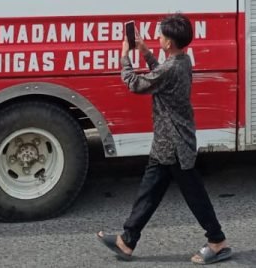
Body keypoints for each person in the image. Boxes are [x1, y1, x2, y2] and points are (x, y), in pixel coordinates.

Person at [97, 14, 231, 265]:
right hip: (168, 142)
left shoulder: (171, 68)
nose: (158, 38)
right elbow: (160, 74)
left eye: (161, 36)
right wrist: (147, 51)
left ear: (169, 43)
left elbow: (135, 84)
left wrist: (125, 55)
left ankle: (218, 241)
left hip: (174, 145)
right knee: (149, 192)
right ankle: (127, 240)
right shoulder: (182, 61)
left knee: (194, 195)